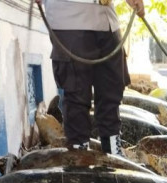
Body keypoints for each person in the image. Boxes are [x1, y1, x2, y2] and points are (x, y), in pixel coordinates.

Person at [36, 0, 145, 154]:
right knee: (77, 93)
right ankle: (80, 159)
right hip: (69, 15)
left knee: (112, 90)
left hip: (106, 16)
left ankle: (114, 152)